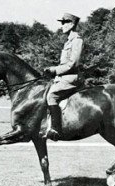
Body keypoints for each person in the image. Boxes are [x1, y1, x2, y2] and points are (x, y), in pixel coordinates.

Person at [42, 13, 84, 141]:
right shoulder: (68, 41)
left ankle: (55, 129)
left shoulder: (77, 40)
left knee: (52, 96)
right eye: (62, 23)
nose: (62, 26)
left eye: (64, 23)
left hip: (72, 77)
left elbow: (72, 64)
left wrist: (54, 70)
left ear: (71, 24)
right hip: (64, 76)